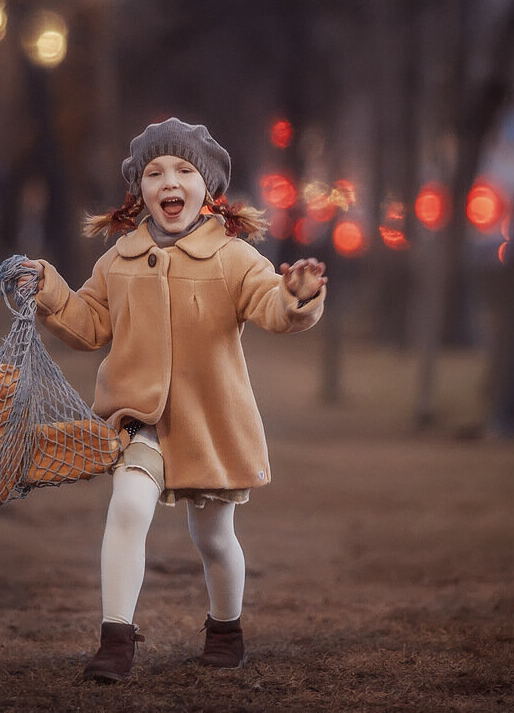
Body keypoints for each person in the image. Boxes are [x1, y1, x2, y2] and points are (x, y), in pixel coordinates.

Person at [18, 117, 327, 683]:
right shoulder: (119, 260)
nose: (170, 180)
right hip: (141, 420)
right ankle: (116, 639)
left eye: (184, 170)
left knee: (213, 538)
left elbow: (270, 306)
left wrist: (297, 296)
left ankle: (226, 628)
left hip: (210, 422)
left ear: (207, 190)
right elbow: (88, 324)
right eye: (156, 172)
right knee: (128, 508)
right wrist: (49, 288)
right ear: (140, 191)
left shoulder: (232, 257)